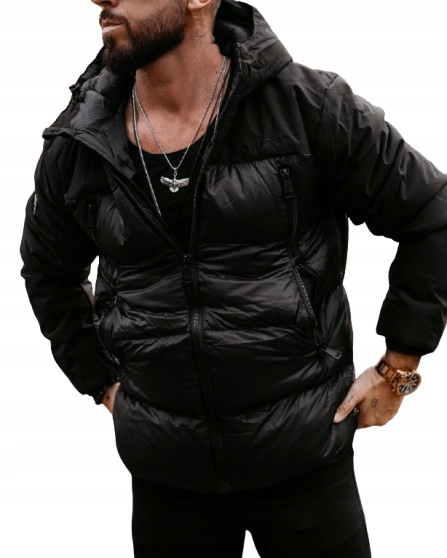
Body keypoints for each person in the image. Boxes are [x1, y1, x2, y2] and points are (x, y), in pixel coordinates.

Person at [20, 0, 447, 556]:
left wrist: (399, 367)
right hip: (168, 482)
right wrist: (101, 380)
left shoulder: (307, 108)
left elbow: (431, 215)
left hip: (306, 468)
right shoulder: (82, 140)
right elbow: (49, 271)